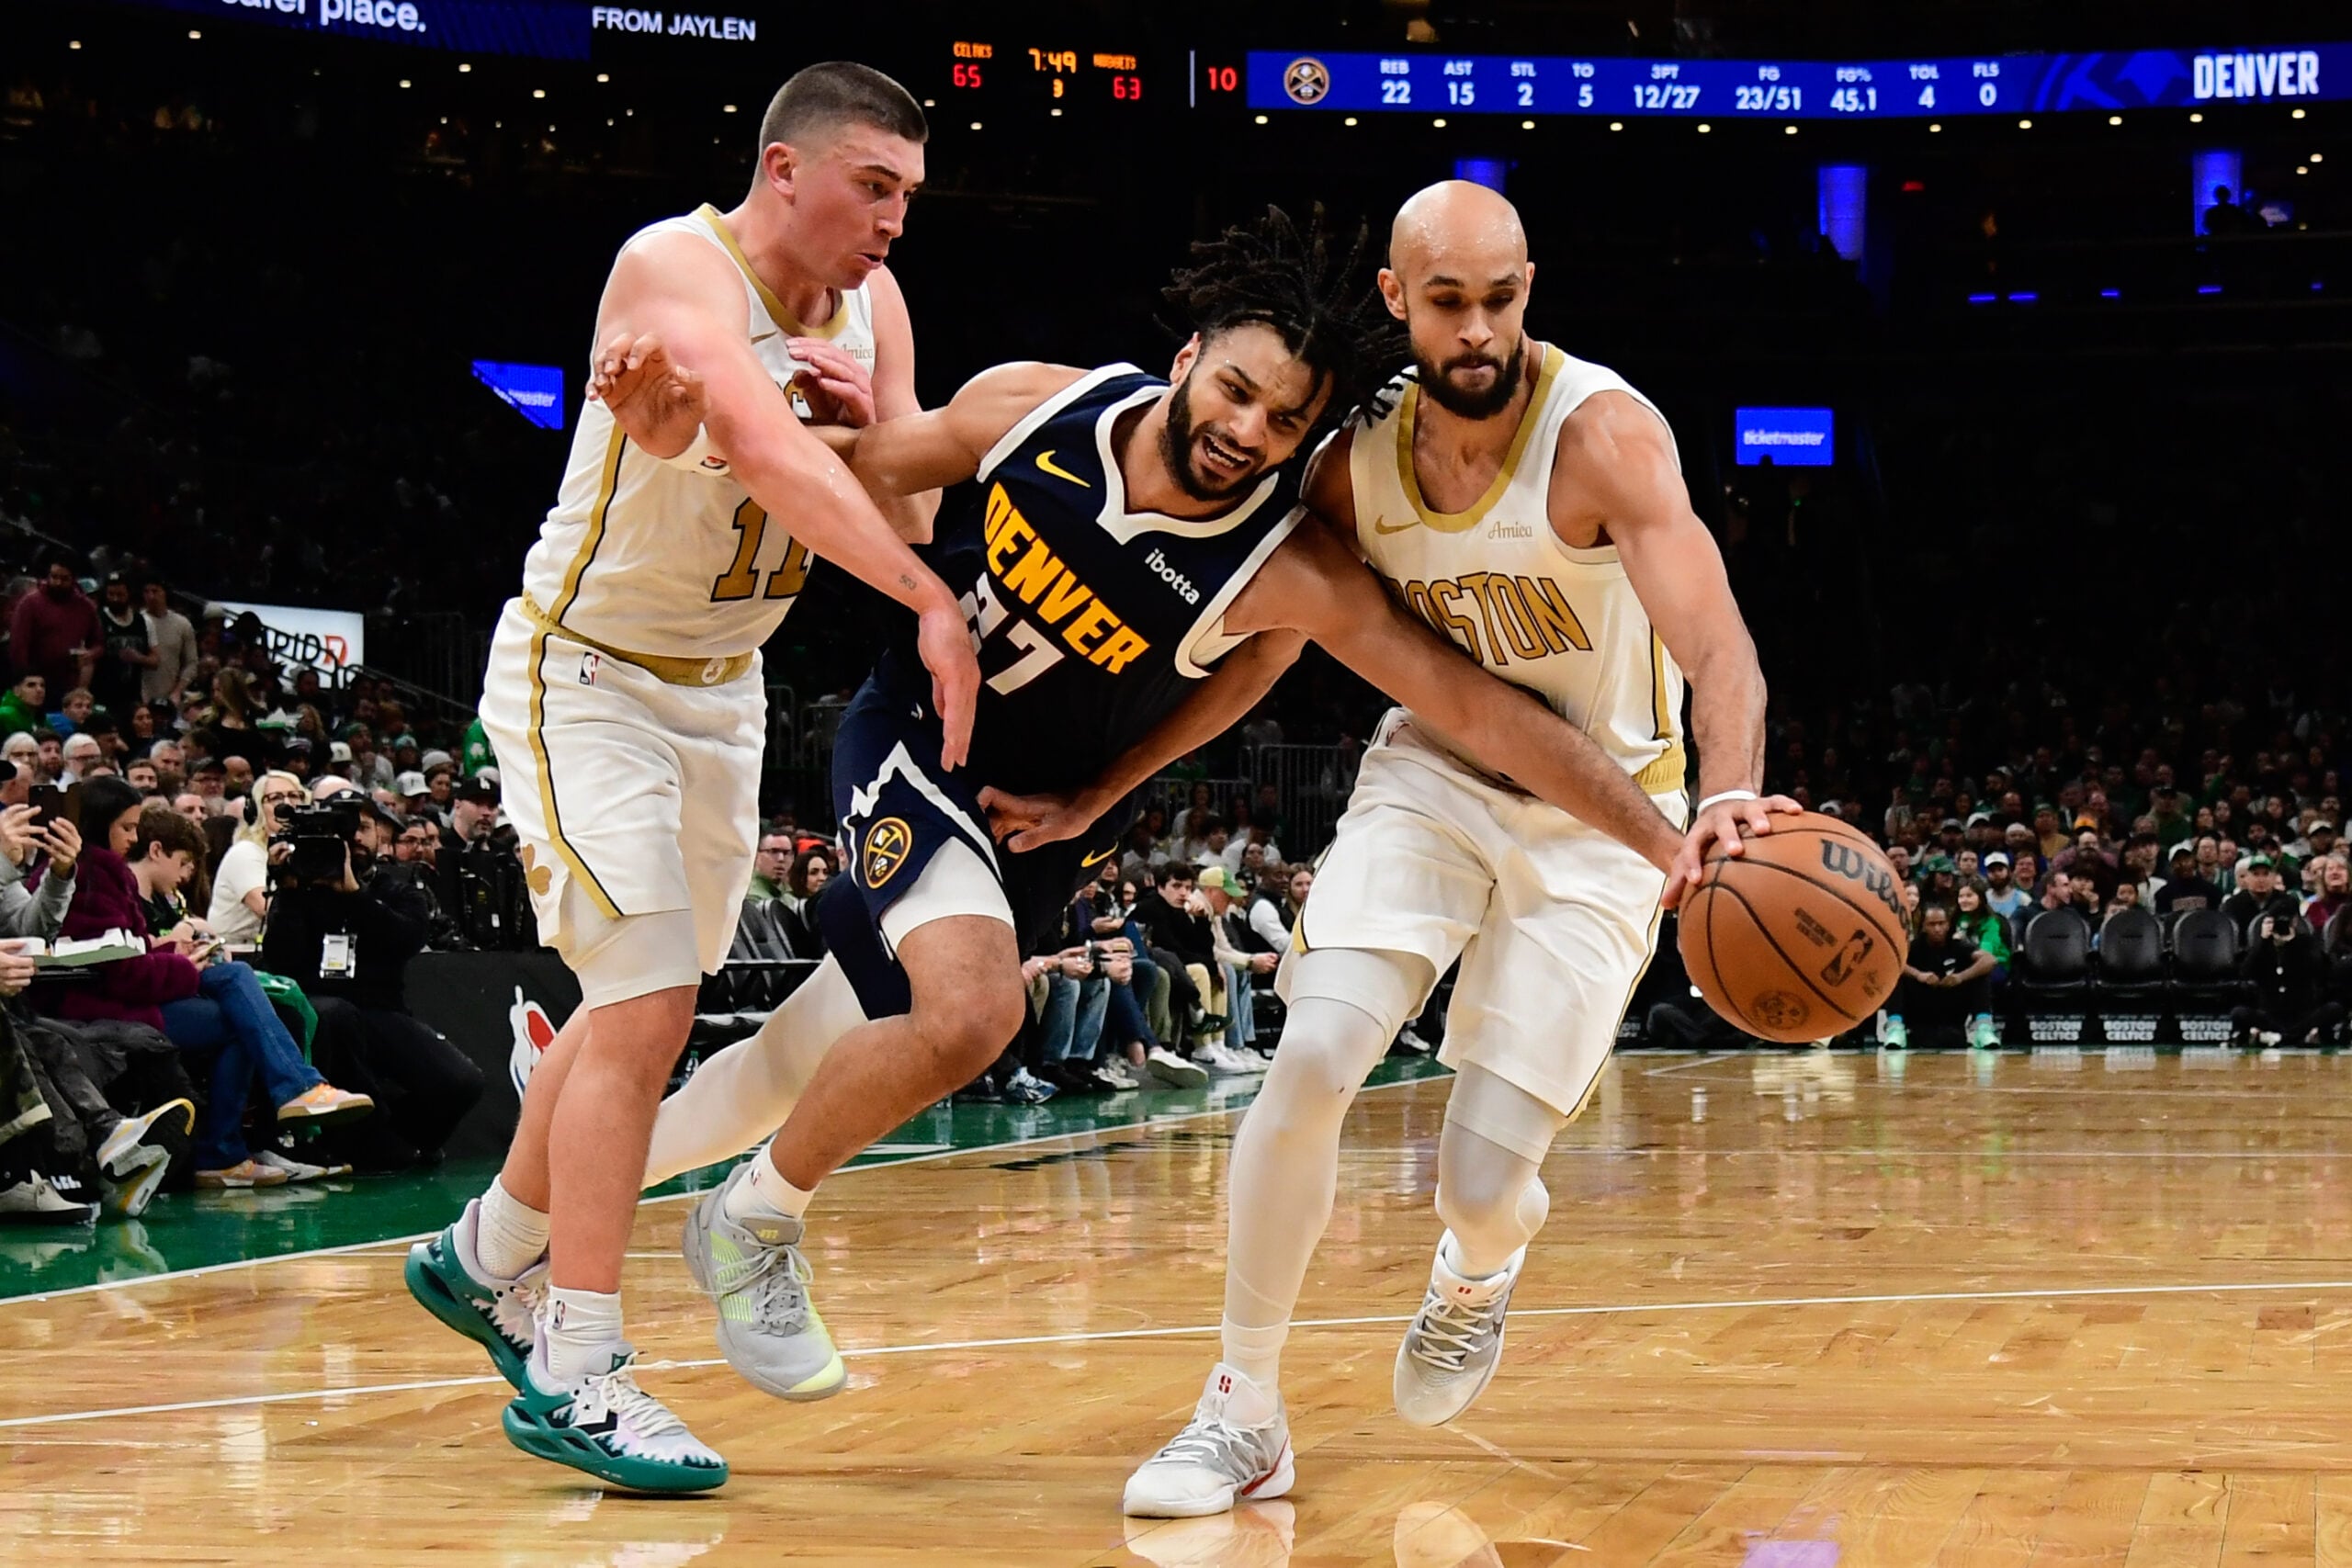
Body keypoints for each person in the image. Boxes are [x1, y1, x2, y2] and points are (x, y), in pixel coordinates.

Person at [565, 204, 1739, 1495]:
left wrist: (1690, 828)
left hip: (1145, 803)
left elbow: (1343, 664)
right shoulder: (1070, 415)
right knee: (1179, 1040)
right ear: (1191, 357)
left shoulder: (1383, 504)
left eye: (1282, 419)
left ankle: (510, 1226)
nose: (1249, 430)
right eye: (1235, 391)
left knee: (809, 1043)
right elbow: (866, 457)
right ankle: (1224, 1403)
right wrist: (699, 430)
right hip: (927, 727)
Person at [1122, 180, 1787, 1515]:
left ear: (1530, 286)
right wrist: (1111, 774)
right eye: (1446, 302)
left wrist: (1729, 794)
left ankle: (1477, 1267)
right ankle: (1242, 1406)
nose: (1477, 329)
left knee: (1481, 1181)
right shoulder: (1345, 454)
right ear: (1393, 298)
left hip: (1610, 818)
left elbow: (1718, 642)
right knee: (1310, 1052)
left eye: (1500, 298)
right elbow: (1265, 617)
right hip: (1434, 773)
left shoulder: (1602, 437)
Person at [403, 61, 977, 1494]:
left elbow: (901, 482)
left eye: (910, 194)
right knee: (649, 999)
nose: (894, 220)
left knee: (630, 1011)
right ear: (785, 169)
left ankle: (482, 1256)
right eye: (873, 186)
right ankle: (580, 1364)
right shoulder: (676, 261)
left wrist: (879, 425)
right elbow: (771, 457)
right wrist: (925, 597)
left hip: (724, 697)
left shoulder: (875, 307)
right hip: (583, 670)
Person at [45, 778, 372, 1188]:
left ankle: (263, 1119)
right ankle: (256, 1122)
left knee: (236, 981)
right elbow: (120, 973)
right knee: (239, 1010)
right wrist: (184, 965)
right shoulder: (96, 877)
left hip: (120, 994)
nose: (133, 839)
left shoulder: (106, 873)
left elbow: (126, 955)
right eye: (126, 828)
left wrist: (169, 951)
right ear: (99, 824)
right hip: (104, 1006)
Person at [208, 770, 304, 945]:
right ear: (256, 809)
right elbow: (268, 910)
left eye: (294, 796)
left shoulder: (304, 852)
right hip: (238, 953)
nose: (288, 804)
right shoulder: (245, 852)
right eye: (276, 798)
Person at [1883, 903, 1997, 1051]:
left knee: (1981, 973)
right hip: (1922, 1005)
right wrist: (1918, 975)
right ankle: (1895, 1028)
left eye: (1941, 924)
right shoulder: (1915, 947)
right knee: (1896, 975)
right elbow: (1892, 960)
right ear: (1923, 926)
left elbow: (1990, 960)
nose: (1937, 929)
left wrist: (1961, 977)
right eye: (1932, 924)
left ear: (1948, 925)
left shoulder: (1958, 945)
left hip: (1952, 1002)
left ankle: (1984, 1028)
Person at [2233, 902, 2344, 1046]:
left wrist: (2292, 944)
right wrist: (2263, 942)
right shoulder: (2262, 947)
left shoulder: (2307, 943)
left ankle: (2279, 1037)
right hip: (2270, 1014)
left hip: (2303, 1014)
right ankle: (2298, 1038)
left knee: (2334, 1009)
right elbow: (2245, 972)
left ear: (2295, 922)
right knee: (2239, 1013)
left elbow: (2321, 971)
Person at [9, 557, 99, 701]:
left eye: (64, 578)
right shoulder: (30, 603)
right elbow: (18, 646)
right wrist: (24, 681)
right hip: (36, 680)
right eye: (54, 577)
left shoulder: (85, 606)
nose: (57, 582)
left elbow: (99, 643)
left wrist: (90, 654)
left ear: (73, 579)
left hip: (69, 683)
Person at [92, 574, 153, 720]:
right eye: (111, 594)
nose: (115, 599)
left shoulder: (143, 621)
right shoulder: (97, 619)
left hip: (132, 697)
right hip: (102, 696)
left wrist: (138, 658)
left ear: (129, 594)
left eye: (120, 594)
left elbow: (155, 660)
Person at [140, 577, 198, 707]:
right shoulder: (137, 622)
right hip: (141, 695)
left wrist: (178, 691)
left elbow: (192, 663)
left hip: (170, 696)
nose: (151, 596)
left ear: (164, 593)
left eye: (155, 591)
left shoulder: (182, 624)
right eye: (146, 592)